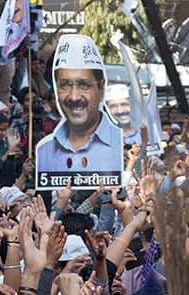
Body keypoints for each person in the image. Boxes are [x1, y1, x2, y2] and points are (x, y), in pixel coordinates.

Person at [35, 34, 123, 190]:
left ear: (101, 88)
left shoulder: (120, 145)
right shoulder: (45, 150)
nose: (74, 97)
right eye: (65, 85)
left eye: (83, 85)